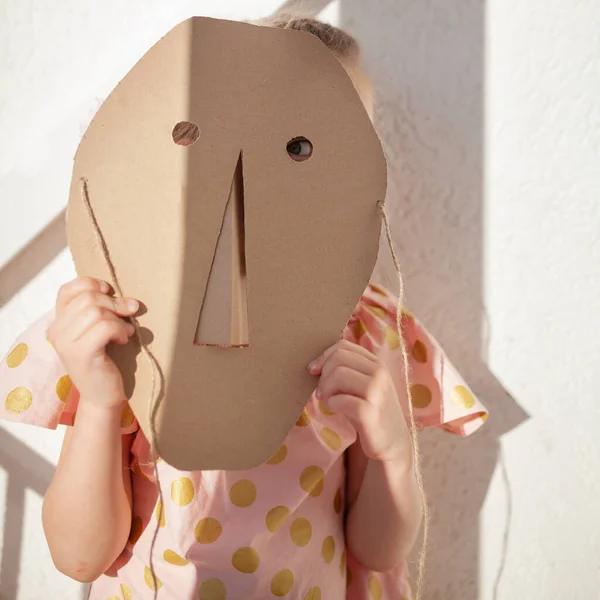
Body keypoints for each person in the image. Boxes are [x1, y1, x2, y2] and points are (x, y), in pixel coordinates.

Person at [0, 15, 488, 600]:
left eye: (320, 147)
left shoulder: (366, 332)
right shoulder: (128, 324)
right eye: (296, 145)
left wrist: (391, 452)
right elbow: (80, 556)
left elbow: (379, 552)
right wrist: (102, 405)